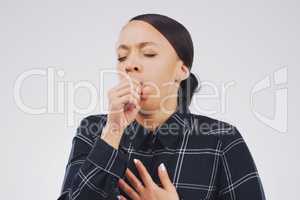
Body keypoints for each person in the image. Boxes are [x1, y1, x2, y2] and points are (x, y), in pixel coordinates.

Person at [57, 13, 266, 200]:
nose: (129, 65)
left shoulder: (221, 138)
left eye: (148, 53)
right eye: (122, 57)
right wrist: (113, 132)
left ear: (182, 70)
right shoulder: (93, 130)